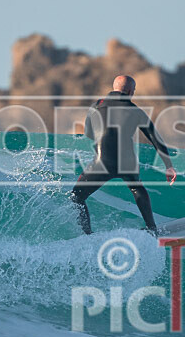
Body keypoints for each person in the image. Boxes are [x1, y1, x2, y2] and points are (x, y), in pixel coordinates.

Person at [71, 75, 177, 234]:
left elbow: (89, 134)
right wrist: (168, 166)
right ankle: (151, 227)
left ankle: (87, 234)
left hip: (102, 162)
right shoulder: (135, 110)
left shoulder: (95, 107)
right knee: (137, 189)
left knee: (76, 197)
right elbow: (156, 138)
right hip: (127, 161)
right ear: (129, 91)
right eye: (133, 91)